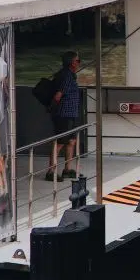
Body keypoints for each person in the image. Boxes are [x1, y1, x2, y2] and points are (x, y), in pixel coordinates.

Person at [46, 51, 81, 182]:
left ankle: (67, 169)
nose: (78, 63)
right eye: (77, 61)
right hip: (64, 114)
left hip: (71, 113)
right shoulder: (66, 76)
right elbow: (58, 95)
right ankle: (51, 171)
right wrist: (53, 109)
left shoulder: (70, 75)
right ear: (72, 63)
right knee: (60, 142)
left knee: (71, 141)